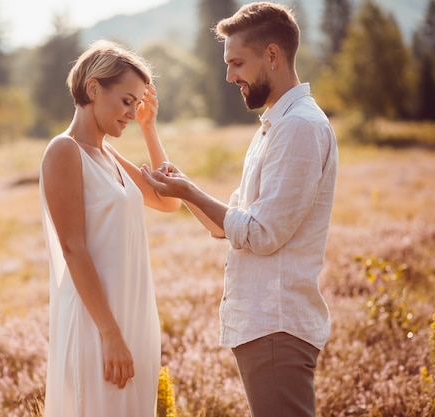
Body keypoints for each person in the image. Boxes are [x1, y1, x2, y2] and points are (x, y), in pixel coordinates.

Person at [141, 3, 338, 417]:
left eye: (236, 63)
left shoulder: (298, 127)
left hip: (276, 323)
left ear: (272, 55)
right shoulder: (273, 126)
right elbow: (228, 226)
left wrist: (191, 192)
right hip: (263, 325)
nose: (229, 76)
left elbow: (262, 234)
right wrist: (183, 187)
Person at [39, 40, 181, 417]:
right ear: (92, 89)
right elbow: (73, 249)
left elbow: (169, 201)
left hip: (133, 315)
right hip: (97, 326)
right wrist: (110, 334)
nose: (133, 113)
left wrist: (150, 130)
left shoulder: (108, 154)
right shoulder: (64, 151)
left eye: (137, 104)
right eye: (126, 101)